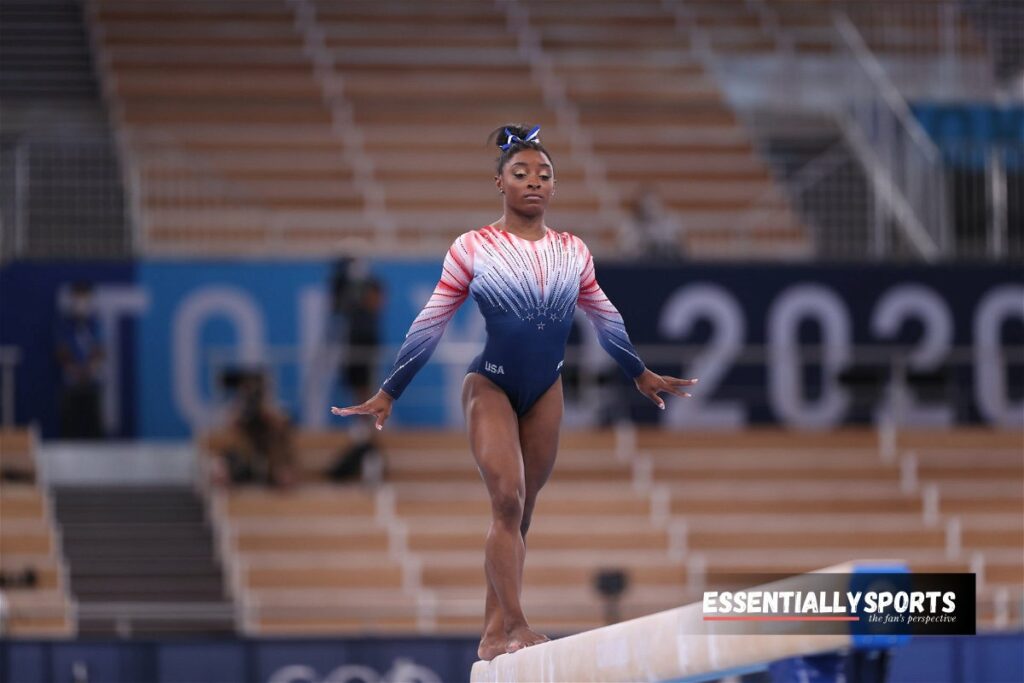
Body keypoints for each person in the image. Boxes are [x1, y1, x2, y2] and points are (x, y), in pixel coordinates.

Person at [331, 124, 697, 660]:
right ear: (498, 183)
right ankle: (518, 624)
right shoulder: (473, 247)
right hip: (491, 385)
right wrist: (390, 390)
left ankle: (490, 633)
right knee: (506, 498)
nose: (533, 182)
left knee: (519, 515)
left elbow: (605, 317)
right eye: (520, 173)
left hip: (546, 389)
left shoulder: (573, 251)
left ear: (554, 187)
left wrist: (639, 372)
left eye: (544, 175)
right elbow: (431, 321)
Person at [213, 369, 296, 489]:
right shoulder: (239, 414)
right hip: (245, 461)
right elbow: (230, 431)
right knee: (220, 466)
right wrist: (241, 408)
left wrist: (267, 411)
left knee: (283, 471)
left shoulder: (274, 417)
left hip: (269, 461)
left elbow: (284, 424)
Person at [54, 281, 105, 439]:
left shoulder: (95, 322)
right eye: (78, 298)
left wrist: (89, 369)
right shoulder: (64, 323)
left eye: (84, 298)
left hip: (92, 382)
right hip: (71, 384)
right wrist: (74, 370)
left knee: (94, 429)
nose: (81, 303)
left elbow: (100, 349)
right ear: (72, 298)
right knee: (69, 428)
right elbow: (61, 350)